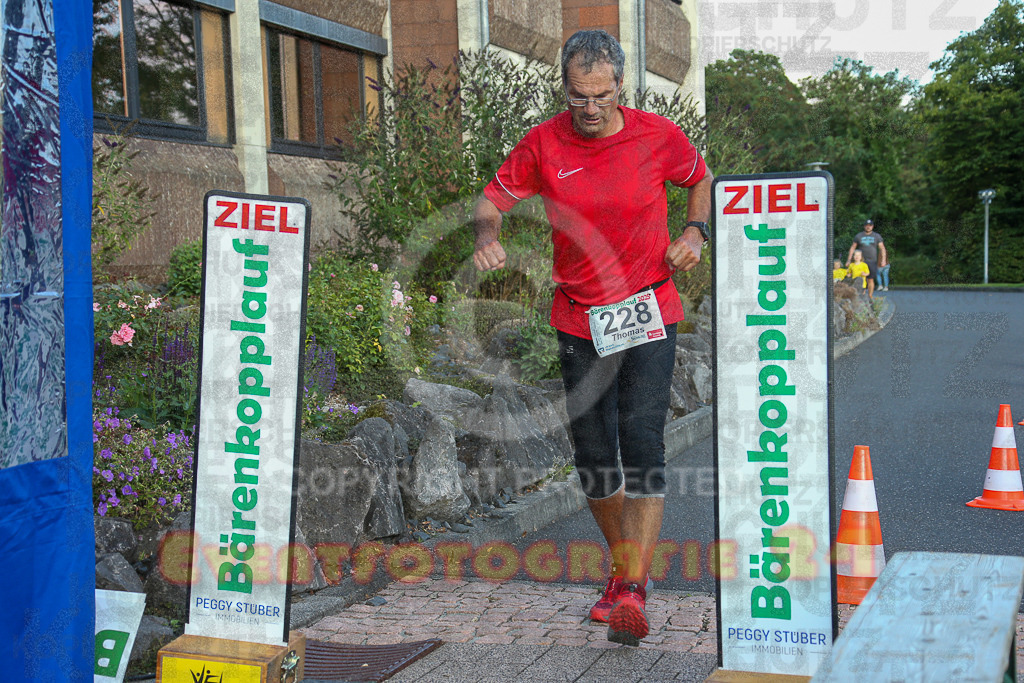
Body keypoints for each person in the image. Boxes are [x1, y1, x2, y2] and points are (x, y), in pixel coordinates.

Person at [472, 29, 712, 647]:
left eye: (601, 95)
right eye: (579, 96)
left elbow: (701, 178)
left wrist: (695, 234)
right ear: (565, 89)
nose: (590, 108)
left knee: (642, 441)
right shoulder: (543, 143)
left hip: (650, 308)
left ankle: (631, 587)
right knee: (594, 456)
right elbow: (492, 197)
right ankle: (624, 567)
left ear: (621, 86)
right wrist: (485, 235)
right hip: (579, 317)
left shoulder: (658, 137)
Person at [846, 219, 886, 299]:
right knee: (858, 278)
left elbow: (882, 248)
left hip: (872, 261)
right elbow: (853, 247)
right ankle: (860, 296)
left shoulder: (876, 236)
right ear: (864, 226)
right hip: (860, 261)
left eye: (870, 225)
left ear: (872, 226)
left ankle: (870, 296)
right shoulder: (859, 236)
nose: (868, 227)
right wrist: (849, 259)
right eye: (867, 225)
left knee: (870, 279)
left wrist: (883, 260)